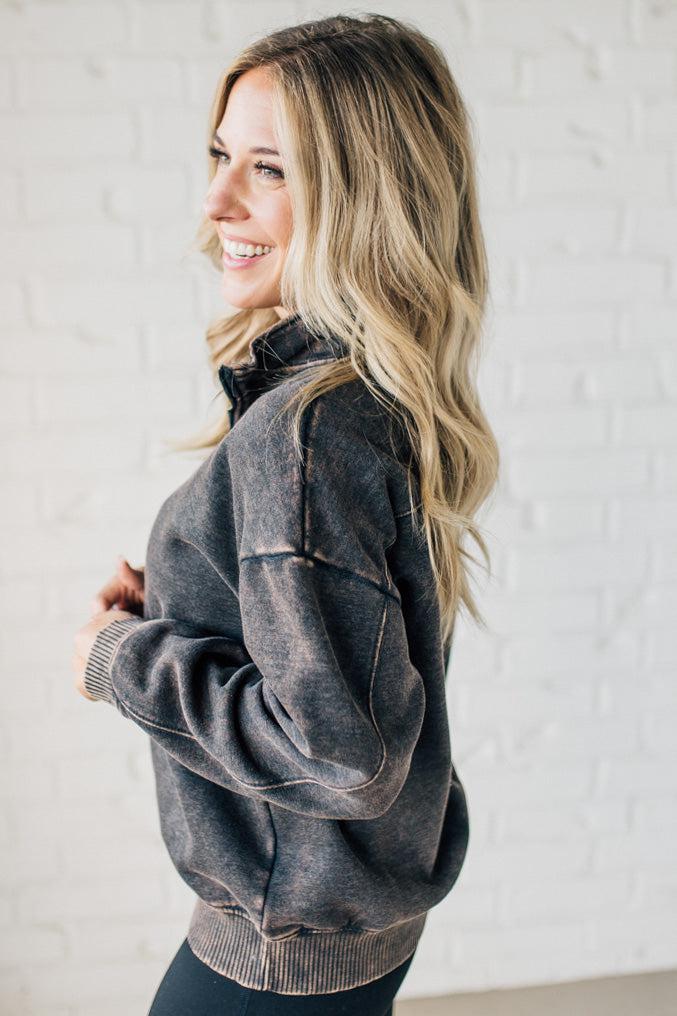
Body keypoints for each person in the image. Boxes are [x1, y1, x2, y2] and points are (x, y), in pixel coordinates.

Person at [72, 12, 499, 1015]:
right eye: (220, 154)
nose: (216, 197)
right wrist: (186, 602)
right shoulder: (366, 396)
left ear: (366, 195)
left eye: (269, 167)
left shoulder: (304, 434)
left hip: (278, 946)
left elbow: (338, 754)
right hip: (350, 917)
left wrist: (117, 658)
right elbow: (342, 655)